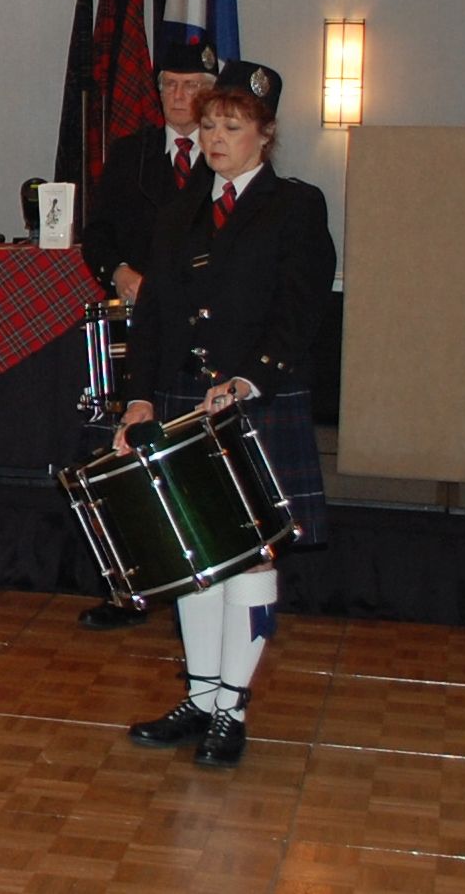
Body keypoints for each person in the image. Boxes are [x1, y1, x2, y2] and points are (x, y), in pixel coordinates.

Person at [114, 60, 334, 770]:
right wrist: (140, 396)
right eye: (208, 123)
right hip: (184, 404)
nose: (215, 137)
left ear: (264, 135)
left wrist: (249, 379)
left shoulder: (295, 206)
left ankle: (232, 705)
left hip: (253, 403)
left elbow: (301, 312)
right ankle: (203, 695)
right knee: (196, 561)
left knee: (251, 561)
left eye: (231, 126)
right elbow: (152, 318)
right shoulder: (178, 212)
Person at [73, 49, 219, 632]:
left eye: (190, 85)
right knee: (123, 448)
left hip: (200, 334)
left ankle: (216, 582)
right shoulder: (132, 153)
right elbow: (97, 233)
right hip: (135, 321)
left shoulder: (222, 161)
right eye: (168, 84)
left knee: (196, 458)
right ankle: (127, 586)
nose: (177, 95)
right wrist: (120, 273)